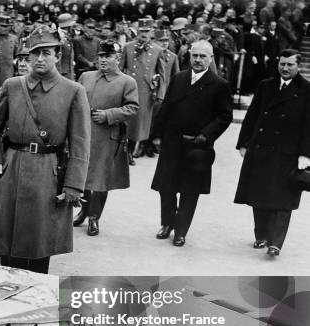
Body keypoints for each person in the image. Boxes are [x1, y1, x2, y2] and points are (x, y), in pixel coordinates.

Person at [0, 26, 90, 274]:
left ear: (58, 55)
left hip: (48, 174)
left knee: (39, 245)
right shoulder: (12, 86)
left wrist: (73, 186)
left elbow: (80, 144)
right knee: (6, 243)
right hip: (12, 169)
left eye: (46, 53)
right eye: (33, 54)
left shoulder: (73, 91)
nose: (39, 59)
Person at [150, 40, 232, 247]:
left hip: (198, 147)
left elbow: (224, 116)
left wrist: (206, 135)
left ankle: (181, 231)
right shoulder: (179, 78)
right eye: (195, 56)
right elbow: (166, 107)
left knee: (190, 191)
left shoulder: (219, 85)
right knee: (166, 187)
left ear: (211, 59)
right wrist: (157, 135)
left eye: (203, 56)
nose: (197, 60)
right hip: (172, 143)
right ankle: (167, 224)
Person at [234, 49, 310, 257]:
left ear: (298, 66)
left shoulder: (306, 89)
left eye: (290, 65)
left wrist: (306, 154)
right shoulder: (265, 86)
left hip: (288, 153)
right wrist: (243, 143)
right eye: (282, 64)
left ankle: (276, 242)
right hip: (261, 148)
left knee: (284, 197)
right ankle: (261, 236)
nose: (285, 68)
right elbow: (252, 116)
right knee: (259, 193)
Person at [76, 40, 139, 236]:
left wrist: (108, 115)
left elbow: (132, 108)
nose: (103, 60)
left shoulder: (127, 82)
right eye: (101, 56)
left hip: (107, 137)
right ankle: (84, 211)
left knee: (101, 179)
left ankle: (95, 217)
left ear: (117, 58)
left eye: (108, 56)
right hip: (83, 134)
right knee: (82, 175)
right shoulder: (85, 76)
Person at [119, 18, 166, 160]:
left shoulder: (157, 50)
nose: (144, 34)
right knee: (127, 119)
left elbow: (162, 73)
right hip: (129, 89)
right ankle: (126, 150)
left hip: (146, 91)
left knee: (141, 122)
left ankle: (135, 148)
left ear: (152, 31)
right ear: (137, 31)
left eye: (147, 31)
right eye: (141, 31)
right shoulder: (128, 47)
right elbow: (120, 69)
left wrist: (161, 94)